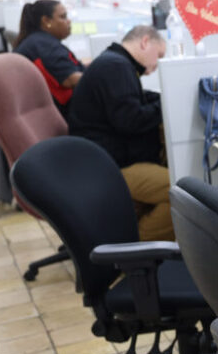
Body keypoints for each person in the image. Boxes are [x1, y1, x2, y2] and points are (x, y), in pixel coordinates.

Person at [67, 25, 172, 240]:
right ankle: (137, 248)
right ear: (145, 42)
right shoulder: (116, 67)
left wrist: (161, 99)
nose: (157, 65)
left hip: (104, 159)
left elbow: (133, 102)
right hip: (109, 167)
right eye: (159, 55)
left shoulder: (114, 62)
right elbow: (130, 120)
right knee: (181, 191)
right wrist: (166, 104)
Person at [14, 0, 83, 113]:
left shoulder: (37, 41)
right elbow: (71, 80)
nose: (68, 21)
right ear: (46, 21)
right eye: (63, 17)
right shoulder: (45, 45)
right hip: (68, 115)